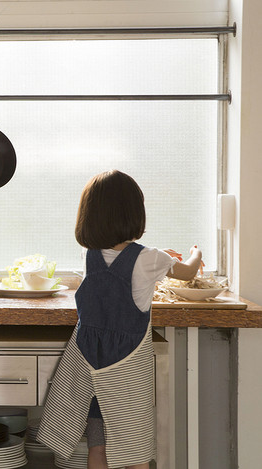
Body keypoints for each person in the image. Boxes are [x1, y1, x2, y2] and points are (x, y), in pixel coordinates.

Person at [37, 170, 203, 469]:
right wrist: (195, 253)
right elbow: (187, 272)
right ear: (134, 213)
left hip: (91, 365)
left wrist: (159, 257)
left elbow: (122, 261)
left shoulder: (88, 254)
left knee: (97, 448)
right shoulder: (150, 258)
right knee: (134, 452)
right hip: (126, 371)